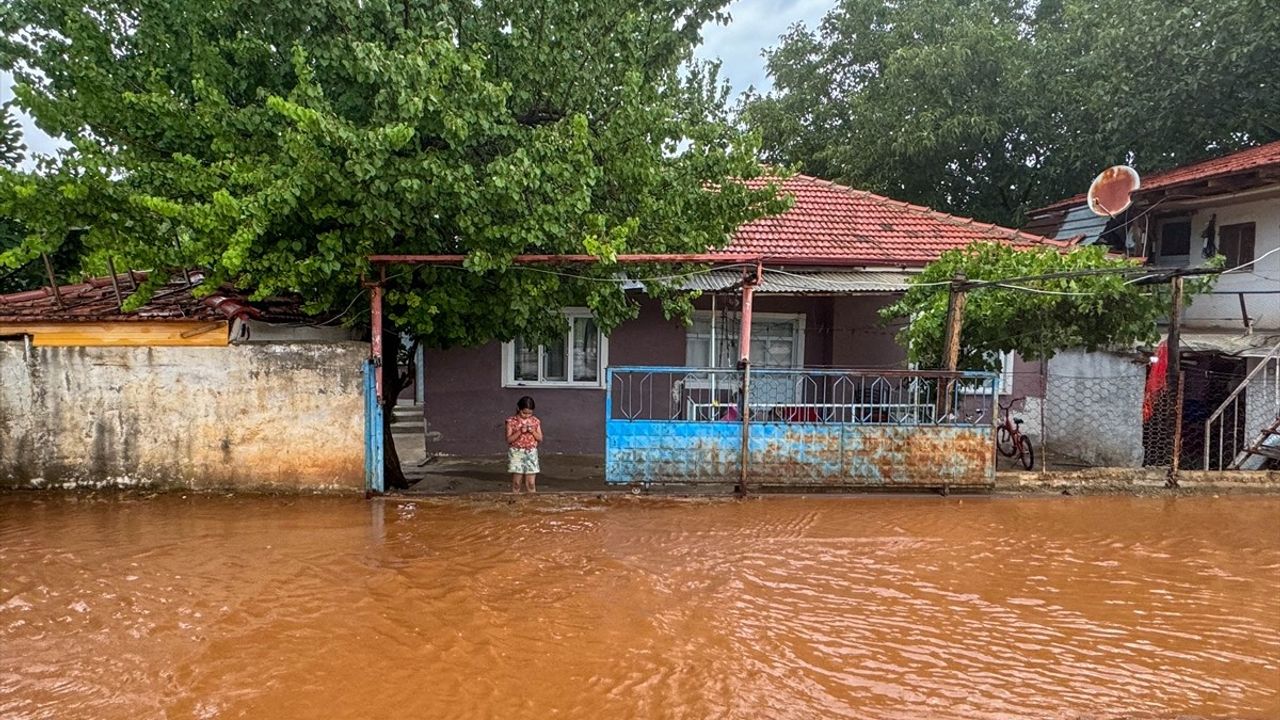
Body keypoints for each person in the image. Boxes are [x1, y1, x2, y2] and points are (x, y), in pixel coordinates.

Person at [505, 396, 543, 493]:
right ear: (519, 409)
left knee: (531, 483)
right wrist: (520, 432)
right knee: (516, 483)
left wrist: (533, 431)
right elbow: (509, 439)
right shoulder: (511, 421)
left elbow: (540, 438)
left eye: (530, 413)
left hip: (531, 452)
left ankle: (532, 503)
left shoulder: (535, 421)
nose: (526, 415)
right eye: (524, 413)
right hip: (517, 452)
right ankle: (514, 502)